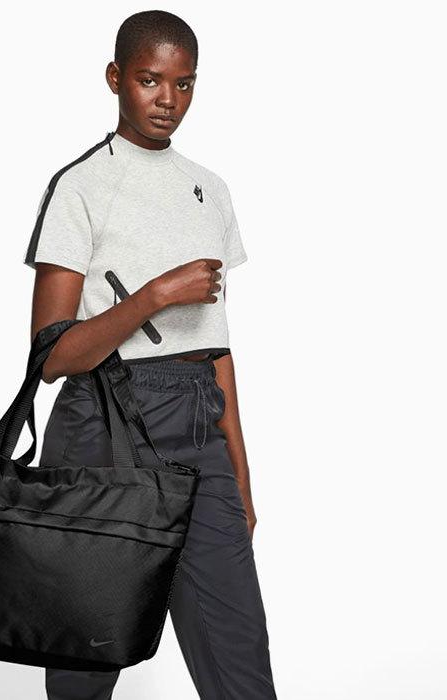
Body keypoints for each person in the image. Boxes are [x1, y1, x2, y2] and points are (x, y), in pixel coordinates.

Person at [23, 10, 277, 700]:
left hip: (198, 425)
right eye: (149, 80)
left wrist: (240, 478)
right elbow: (51, 357)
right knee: (85, 665)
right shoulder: (80, 187)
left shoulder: (211, 190)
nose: (168, 99)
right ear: (115, 78)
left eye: (183, 83)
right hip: (102, 428)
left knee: (240, 664)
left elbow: (217, 348)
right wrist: (156, 295)